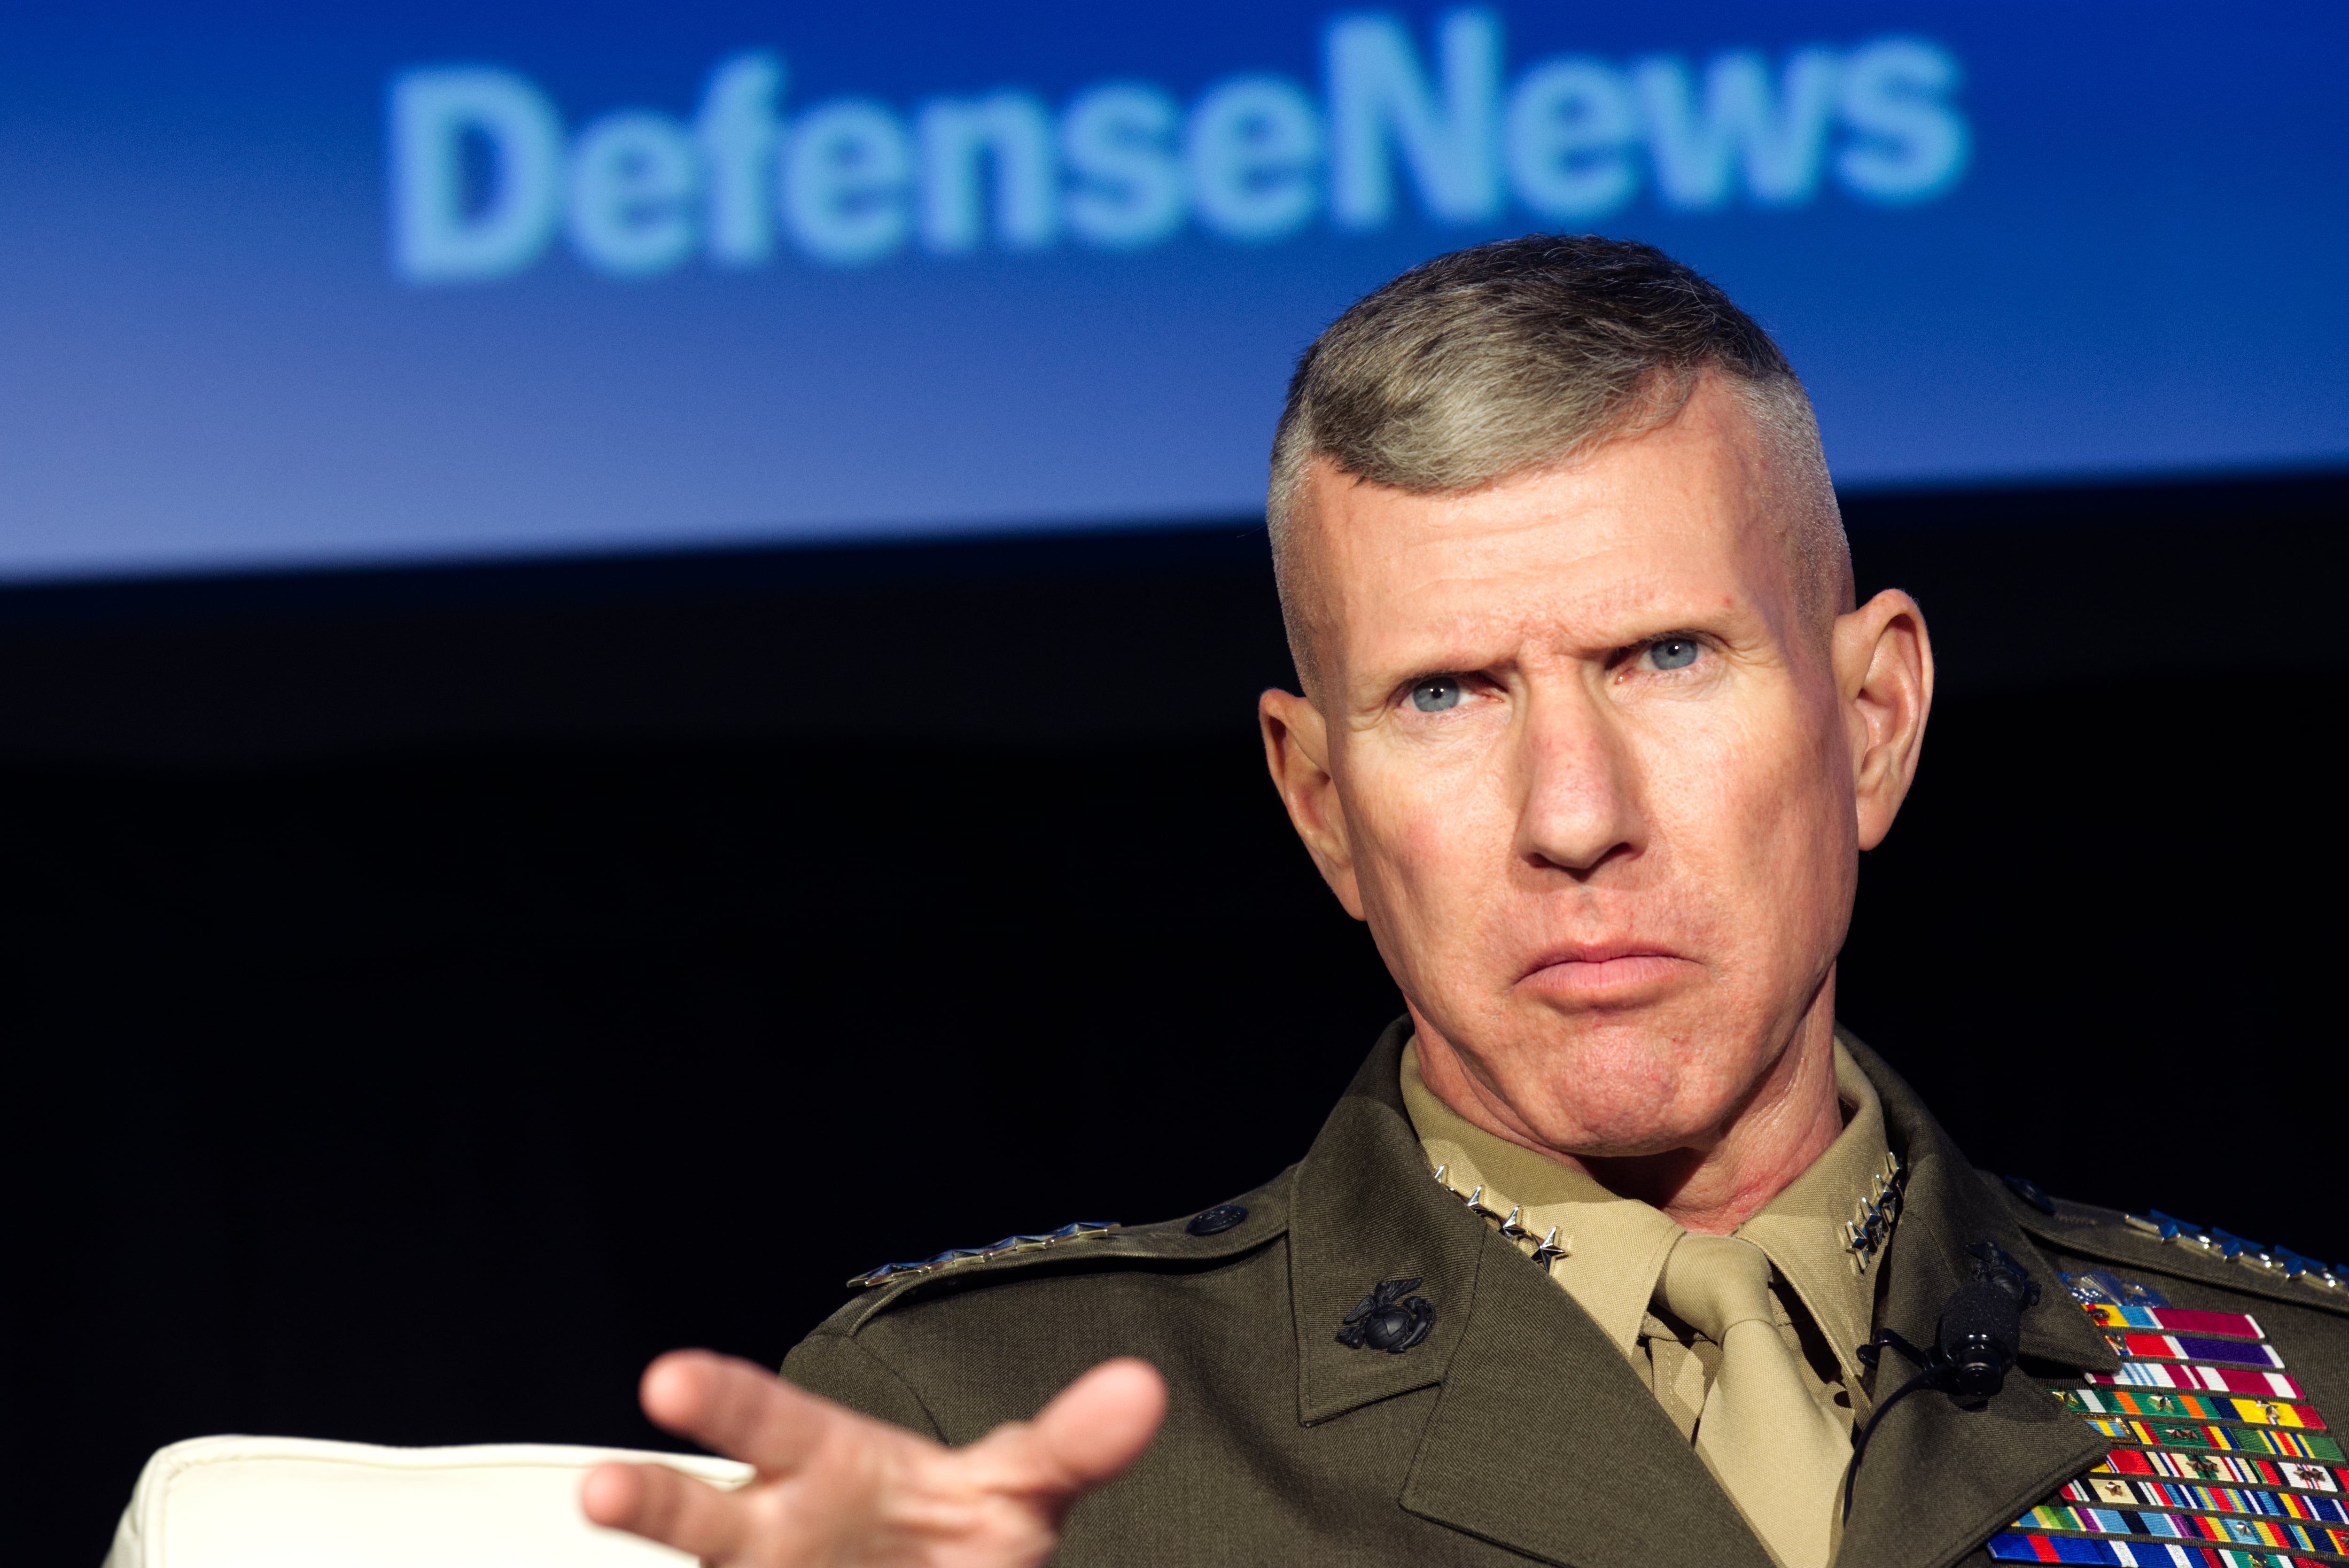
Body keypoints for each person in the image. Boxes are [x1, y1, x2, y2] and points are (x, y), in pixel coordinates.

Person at [577, 237, 2349, 1567]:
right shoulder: (984, 1429)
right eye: (1446, 694)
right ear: (1322, 806)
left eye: (1664, 655)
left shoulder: (2303, 1397)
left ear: (1872, 720)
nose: (1574, 818)